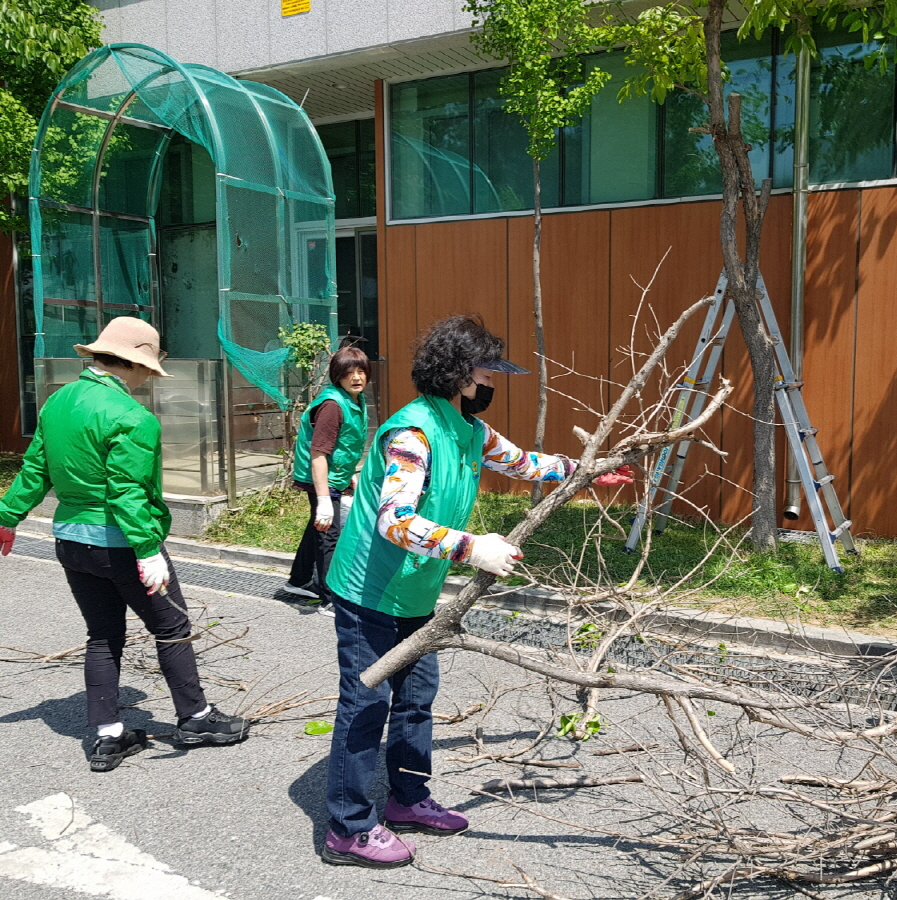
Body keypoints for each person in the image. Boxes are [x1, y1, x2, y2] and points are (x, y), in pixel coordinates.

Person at [319, 315, 623, 868]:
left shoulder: (470, 431)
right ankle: (349, 827)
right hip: (369, 589)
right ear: (462, 376)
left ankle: (408, 799)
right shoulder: (412, 435)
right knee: (367, 702)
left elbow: (524, 462)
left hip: (415, 591)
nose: (493, 384)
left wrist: (584, 470)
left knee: (416, 699)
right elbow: (395, 522)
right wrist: (471, 547)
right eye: (489, 372)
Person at [0, 317, 250, 772]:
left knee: (103, 635)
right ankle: (195, 718)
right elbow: (127, 493)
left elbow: (35, 470)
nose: (147, 380)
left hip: (71, 541)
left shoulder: (57, 402)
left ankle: (108, 736)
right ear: (134, 363)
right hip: (121, 544)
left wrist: (7, 518)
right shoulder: (132, 417)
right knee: (172, 628)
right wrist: (148, 550)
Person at [283, 345, 371, 617]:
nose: (356, 377)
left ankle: (298, 581)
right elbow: (319, 453)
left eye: (361, 371)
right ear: (337, 376)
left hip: (335, 475)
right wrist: (323, 499)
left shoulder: (354, 399)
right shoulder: (333, 405)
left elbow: (346, 444)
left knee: (317, 528)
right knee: (328, 535)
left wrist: (350, 473)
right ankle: (330, 598)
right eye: (349, 373)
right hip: (321, 477)